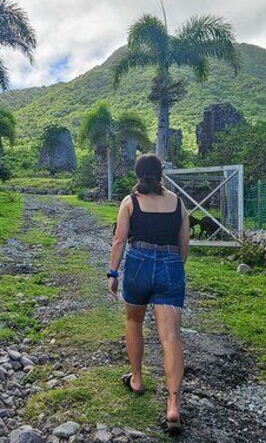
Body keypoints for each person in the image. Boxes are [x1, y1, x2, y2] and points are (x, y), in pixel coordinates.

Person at [107, 153, 190, 435]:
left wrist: (113, 273)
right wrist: (174, 270)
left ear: (137, 173)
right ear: (162, 173)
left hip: (138, 264)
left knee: (134, 322)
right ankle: (173, 405)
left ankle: (138, 379)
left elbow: (119, 240)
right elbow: (184, 245)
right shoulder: (178, 203)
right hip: (171, 265)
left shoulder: (130, 202)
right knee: (171, 337)